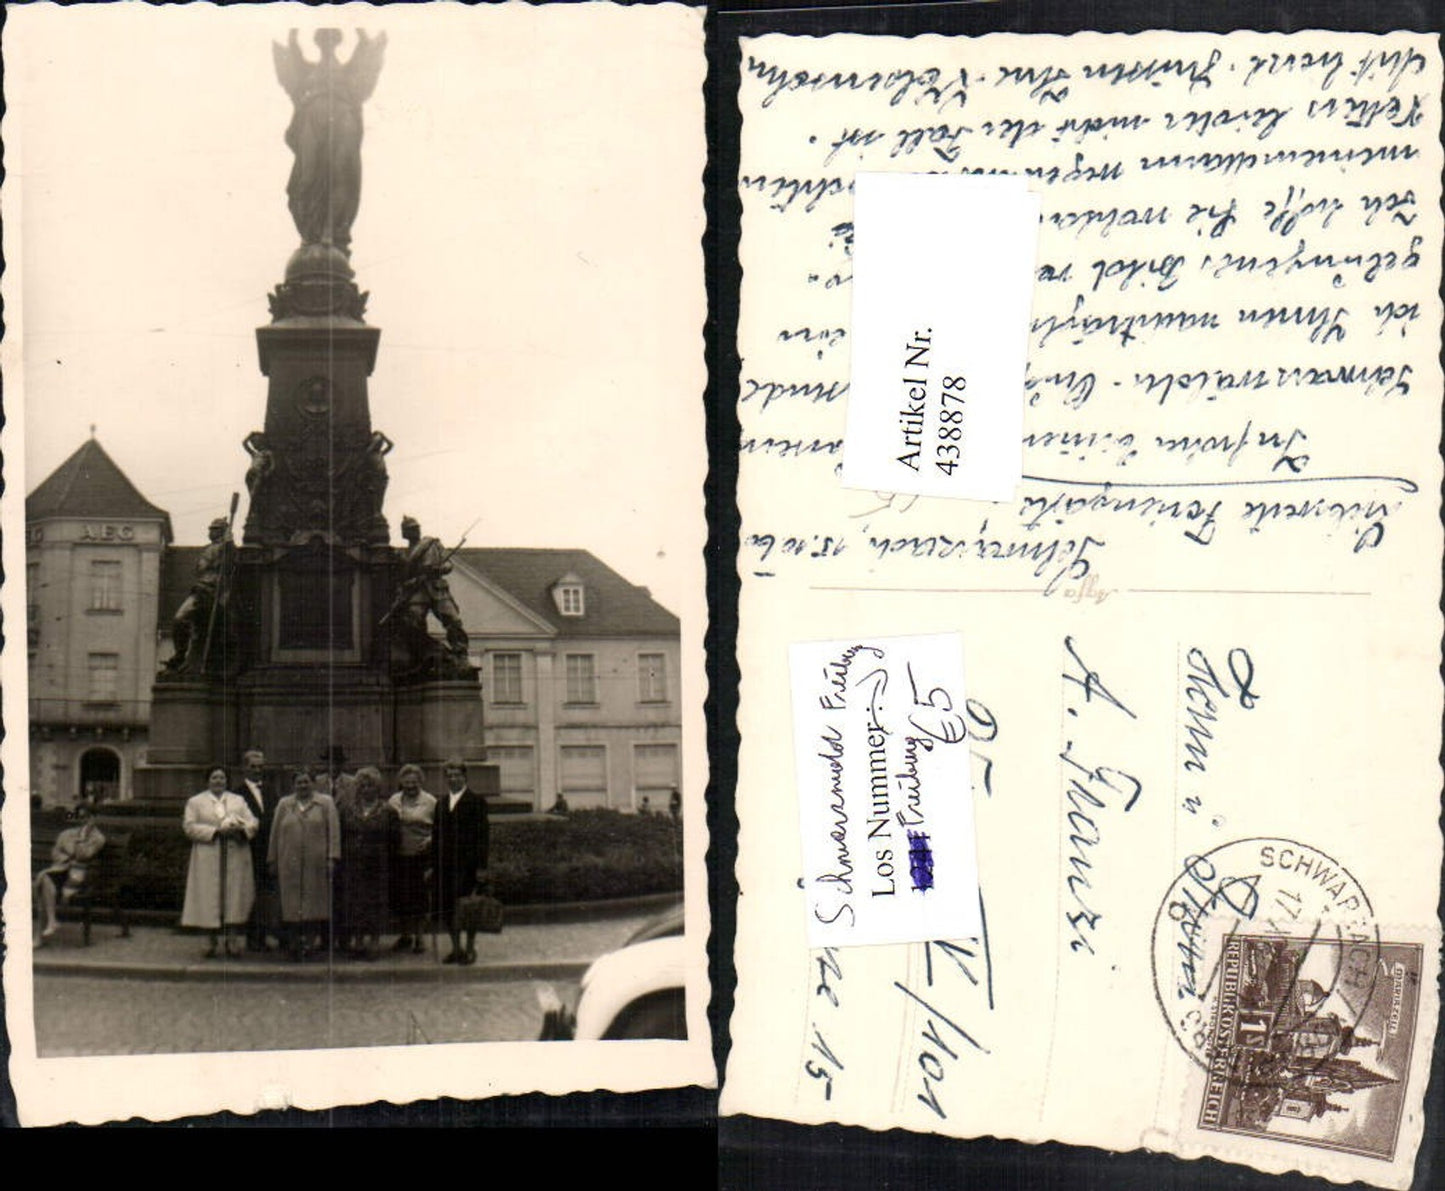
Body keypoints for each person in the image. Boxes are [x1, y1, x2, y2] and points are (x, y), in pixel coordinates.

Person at [272, 28, 387, 254]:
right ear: (318, 43)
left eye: (331, 39)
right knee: (308, 176)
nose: (327, 42)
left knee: (340, 173)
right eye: (323, 39)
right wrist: (292, 42)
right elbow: (292, 68)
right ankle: (311, 232)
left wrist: (364, 40)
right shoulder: (307, 73)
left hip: (343, 119)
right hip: (311, 120)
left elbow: (367, 59)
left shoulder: (349, 72)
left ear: (336, 43)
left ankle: (332, 232)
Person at [181, 767, 258, 959]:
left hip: (234, 853)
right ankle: (209, 939)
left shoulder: (237, 800)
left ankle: (232, 939)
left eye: (222, 777)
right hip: (209, 854)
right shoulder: (196, 802)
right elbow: (189, 827)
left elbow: (252, 821)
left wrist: (240, 830)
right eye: (214, 777)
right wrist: (215, 832)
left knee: (233, 896)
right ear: (207, 781)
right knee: (209, 895)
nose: (218, 781)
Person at [269, 768, 340, 961]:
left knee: (314, 903)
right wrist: (272, 859)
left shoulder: (325, 803)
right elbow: (275, 834)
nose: (303, 785)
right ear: (293, 785)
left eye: (306, 781)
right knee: (291, 905)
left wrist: (332, 858)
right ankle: (293, 944)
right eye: (299, 782)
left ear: (314, 783)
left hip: (315, 864)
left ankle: (310, 943)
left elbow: (333, 832)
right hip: (288, 863)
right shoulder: (284, 804)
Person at [432, 759, 491, 965]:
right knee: (449, 908)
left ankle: (469, 948)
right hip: (445, 866)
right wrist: (433, 865)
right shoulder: (440, 803)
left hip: (468, 866)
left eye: (457, 775)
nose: (453, 779)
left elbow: (483, 836)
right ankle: (456, 948)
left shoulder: (476, 802)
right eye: (449, 775)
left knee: (468, 908)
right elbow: (436, 836)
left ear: (465, 777)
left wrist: (482, 867)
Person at [337, 766, 398, 960]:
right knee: (354, 901)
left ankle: (374, 941)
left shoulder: (388, 810)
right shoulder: (347, 810)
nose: (366, 789)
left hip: (378, 864)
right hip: (352, 863)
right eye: (362, 785)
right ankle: (358, 940)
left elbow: (395, 839)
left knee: (375, 902)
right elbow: (340, 835)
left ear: (377, 788)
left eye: (370, 785)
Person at [397, 516, 470, 666]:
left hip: (437, 588)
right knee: (414, 620)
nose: (415, 531)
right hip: (418, 590)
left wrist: (439, 569)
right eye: (411, 529)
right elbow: (402, 579)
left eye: (416, 528)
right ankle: (420, 655)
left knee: (453, 620)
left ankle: (461, 653)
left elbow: (448, 565)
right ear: (405, 534)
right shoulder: (403, 556)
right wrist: (415, 580)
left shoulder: (432, 544)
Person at [33, 800, 107, 944]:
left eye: (86, 817)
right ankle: (52, 921)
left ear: (94, 818)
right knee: (45, 879)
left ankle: (39, 937)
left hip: (79, 877)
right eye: (80, 817)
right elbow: (55, 852)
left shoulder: (98, 838)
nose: (82, 821)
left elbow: (84, 855)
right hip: (62, 870)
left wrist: (81, 839)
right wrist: (66, 858)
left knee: (44, 882)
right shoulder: (66, 834)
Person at [164, 517, 230, 674]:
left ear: (222, 531)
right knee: (179, 621)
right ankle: (180, 655)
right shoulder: (209, 548)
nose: (210, 532)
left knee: (183, 620)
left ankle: (185, 657)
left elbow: (228, 569)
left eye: (214, 529)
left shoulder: (226, 548)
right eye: (210, 528)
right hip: (200, 589)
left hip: (212, 591)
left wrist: (229, 544)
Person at [387, 763, 436, 954]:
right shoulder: (394, 800)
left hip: (420, 856)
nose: (410, 786)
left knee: (420, 897)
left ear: (420, 782)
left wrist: (431, 840)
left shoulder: (430, 801)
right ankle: (405, 935)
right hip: (399, 856)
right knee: (401, 897)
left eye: (414, 782)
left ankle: (420, 938)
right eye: (406, 782)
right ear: (401, 783)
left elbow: (440, 827)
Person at [237, 749, 279, 952]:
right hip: (248, 849)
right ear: (245, 768)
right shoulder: (237, 793)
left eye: (260, 767)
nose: (257, 771)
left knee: (267, 894)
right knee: (250, 893)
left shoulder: (271, 790)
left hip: (268, 848)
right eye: (253, 767)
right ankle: (252, 937)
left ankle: (264, 935)